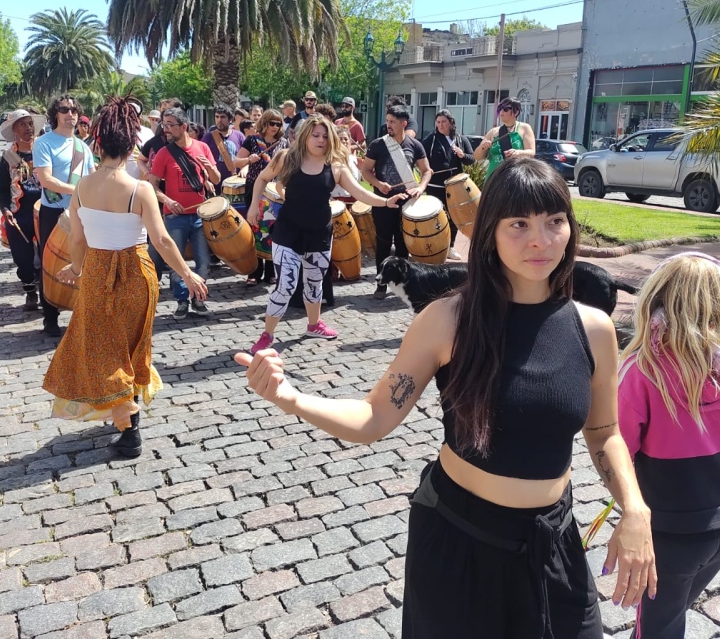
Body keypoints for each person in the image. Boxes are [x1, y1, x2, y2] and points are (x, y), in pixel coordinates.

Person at [236, 157, 656, 636]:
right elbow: (373, 416)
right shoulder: (448, 320)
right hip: (461, 542)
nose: (540, 240)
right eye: (519, 224)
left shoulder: (594, 329)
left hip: (553, 542)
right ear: (489, 232)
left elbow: (604, 432)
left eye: (554, 222)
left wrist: (635, 507)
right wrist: (291, 398)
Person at [44, 96, 207, 459]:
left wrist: (77, 266)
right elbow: (162, 240)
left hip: (99, 272)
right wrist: (187, 274)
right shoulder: (140, 189)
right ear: (133, 143)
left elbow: (78, 237)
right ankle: (128, 424)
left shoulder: (83, 187)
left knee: (102, 346)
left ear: (98, 143)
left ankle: (127, 425)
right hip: (137, 272)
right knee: (132, 348)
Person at [618, 252, 720, 639]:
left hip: (670, 534)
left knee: (657, 625)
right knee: (672, 610)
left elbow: (618, 447)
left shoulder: (642, 371)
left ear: (654, 301)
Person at [246, 115, 407, 353]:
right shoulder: (286, 158)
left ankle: (314, 325)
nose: (320, 140)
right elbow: (262, 178)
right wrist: (252, 206)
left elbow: (360, 193)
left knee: (314, 282)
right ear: (305, 136)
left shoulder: (336, 167)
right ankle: (267, 334)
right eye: (315, 135)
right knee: (286, 285)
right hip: (288, 232)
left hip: (319, 232)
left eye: (324, 136)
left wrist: (386, 202)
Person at [33, 95, 97, 337]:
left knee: (84, 261)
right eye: (64, 109)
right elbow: (46, 179)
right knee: (51, 262)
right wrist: (79, 190)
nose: (70, 114)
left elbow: (91, 176)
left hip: (81, 212)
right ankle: (50, 316)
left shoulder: (83, 147)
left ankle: (81, 311)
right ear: (55, 114)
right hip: (54, 211)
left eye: (73, 110)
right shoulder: (44, 143)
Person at [148, 107, 219, 319]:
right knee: (175, 261)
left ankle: (198, 298)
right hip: (174, 216)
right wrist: (168, 200)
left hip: (200, 215)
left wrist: (210, 170)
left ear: (184, 127)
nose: (166, 129)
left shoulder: (202, 147)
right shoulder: (164, 153)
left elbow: (215, 180)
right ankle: (181, 301)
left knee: (203, 260)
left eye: (170, 125)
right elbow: (152, 185)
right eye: (164, 125)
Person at [361, 104, 432, 298]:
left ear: (404, 123)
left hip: (406, 204)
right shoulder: (377, 144)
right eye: (388, 121)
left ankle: (401, 283)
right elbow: (365, 171)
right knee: (383, 243)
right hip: (383, 202)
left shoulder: (414, 145)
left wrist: (420, 187)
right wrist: (378, 183)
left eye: (392, 122)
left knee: (403, 244)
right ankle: (381, 284)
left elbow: (427, 171)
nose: (388, 125)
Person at [0, 109, 46, 312]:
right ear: (15, 130)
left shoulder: (44, 152)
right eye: (22, 125)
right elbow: (1, 189)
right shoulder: (9, 157)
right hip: (19, 215)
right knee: (23, 258)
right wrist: (6, 209)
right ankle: (30, 293)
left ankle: (48, 294)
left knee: (48, 256)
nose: (28, 128)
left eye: (30, 124)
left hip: (44, 212)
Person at [236, 109, 290, 286]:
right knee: (255, 229)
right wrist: (248, 161)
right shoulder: (252, 140)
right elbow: (236, 161)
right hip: (255, 188)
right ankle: (254, 271)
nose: (275, 127)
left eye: (278, 124)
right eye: (271, 123)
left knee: (273, 229)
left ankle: (270, 271)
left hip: (274, 191)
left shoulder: (283, 143)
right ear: (264, 123)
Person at [421, 110, 475, 261]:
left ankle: (450, 246)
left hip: (455, 187)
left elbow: (471, 159)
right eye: (438, 122)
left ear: (451, 123)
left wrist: (462, 155)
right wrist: (425, 169)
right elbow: (419, 155)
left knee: (454, 217)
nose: (440, 125)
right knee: (435, 217)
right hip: (435, 186)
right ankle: (433, 246)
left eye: (443, 122)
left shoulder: (460, 139)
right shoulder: (431, 140)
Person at [474, 96, 536, 180]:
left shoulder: (525, 128)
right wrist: (483, 148)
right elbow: (477, 157)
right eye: (500, 109)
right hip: (494, 178)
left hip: (514, 177)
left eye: (506, 109)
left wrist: (518, 153)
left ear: (516, 112)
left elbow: (531, 152)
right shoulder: (493, 132)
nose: (501, 112)